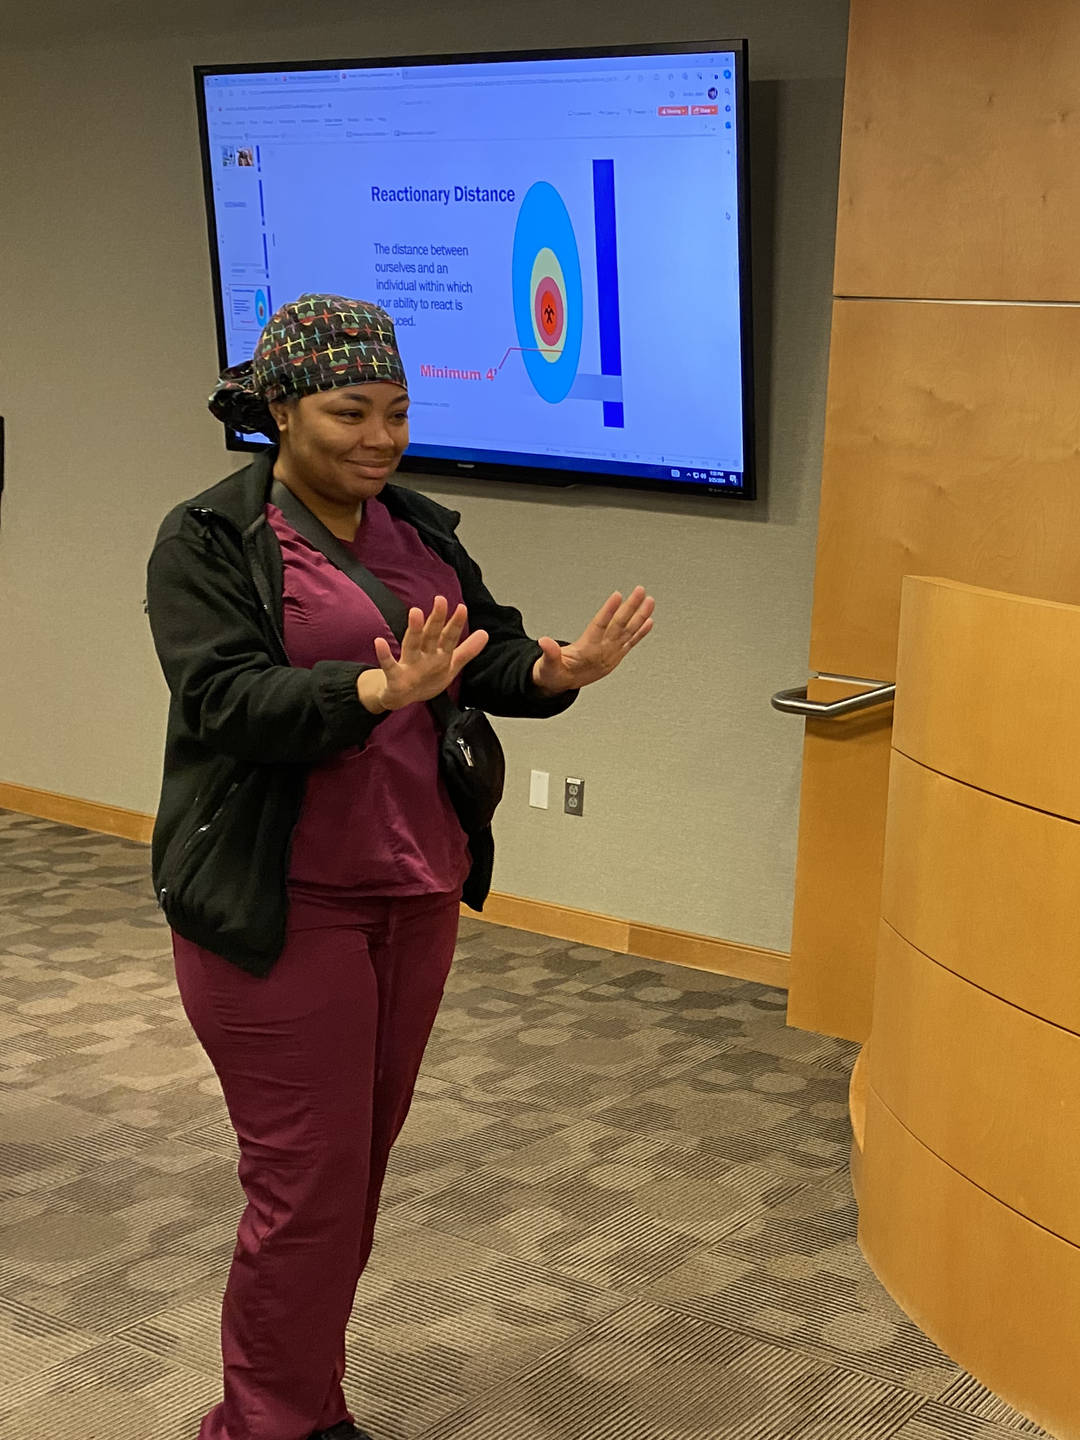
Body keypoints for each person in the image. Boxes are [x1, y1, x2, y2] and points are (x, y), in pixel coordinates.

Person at [145, 294, 654, 1440]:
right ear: (278, 409)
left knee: (354, 1179)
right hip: (279, 907)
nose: (378, 437)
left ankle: (303, 1405)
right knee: (306, 1190)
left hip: (413, 889)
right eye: (347, 412)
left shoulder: (415, 526)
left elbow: (484, 655)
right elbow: (224, 701)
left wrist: (560, 669)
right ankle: (266, 1425)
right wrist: (371, 692)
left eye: (395, 411)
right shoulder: (211, 539)